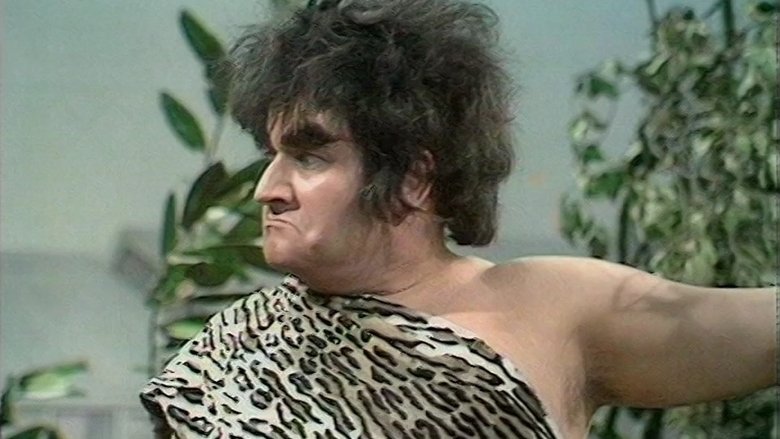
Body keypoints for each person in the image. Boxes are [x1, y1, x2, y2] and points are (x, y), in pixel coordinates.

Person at [140, 0, 778, 437]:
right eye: (272, 156)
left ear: (413, 177)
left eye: (309, 156)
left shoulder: (554, 307)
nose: (267, 190)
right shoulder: (231, 359)